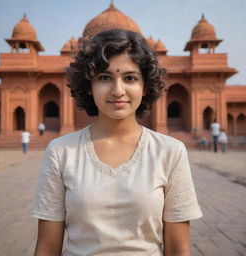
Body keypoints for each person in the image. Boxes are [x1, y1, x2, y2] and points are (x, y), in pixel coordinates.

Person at [32, 29, 202, 256]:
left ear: (145, 86)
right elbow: (47, 247)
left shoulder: (169, 152)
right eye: (104, 78)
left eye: (130, 78)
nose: (118, 90)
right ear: (89, 85)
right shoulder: (62, 152)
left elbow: (179, 248)